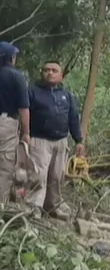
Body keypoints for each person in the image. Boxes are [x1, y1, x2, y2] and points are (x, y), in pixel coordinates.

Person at [27, 60, 82, 217]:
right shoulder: (32, 92)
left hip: (61, 141)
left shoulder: (66, 95)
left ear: (61, 75)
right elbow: (24, 114)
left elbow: (73, 118)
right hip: (39, 140)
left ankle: (52, 206)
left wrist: (79, 140)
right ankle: (33, 208)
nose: (49, 72)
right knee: (38, 175)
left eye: (54, 70)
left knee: (57, 176)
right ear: (41, 73)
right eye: (46, 70)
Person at [0, 42, 30, 204]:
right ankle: (0, 204)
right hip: (5, 124)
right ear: (11, 58)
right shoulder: (16, 76)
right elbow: (23, 109)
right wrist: (26, 133)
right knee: (4, 166)